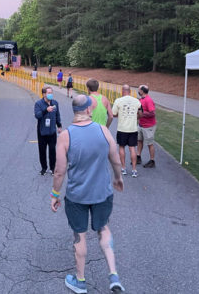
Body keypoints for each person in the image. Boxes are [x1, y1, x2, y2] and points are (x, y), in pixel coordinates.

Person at [51, 95, 125, 293]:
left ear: (74, 111)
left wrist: (55, 193)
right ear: (89, 110)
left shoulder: (65, 136)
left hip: (77, 196)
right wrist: (118, 177)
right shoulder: (103, 130)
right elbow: (115, 158)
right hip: (102, 193)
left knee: (80, 236)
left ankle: (80, 281)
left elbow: (59, 170)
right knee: (103, 228)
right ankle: (113, 275)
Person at [112, 85, 141, 177]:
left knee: (121, 147)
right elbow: (140, 113)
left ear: (122, 90)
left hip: (122, 128)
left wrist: (120, 115)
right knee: (132, 148)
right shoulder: (136, 101)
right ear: (130, 91)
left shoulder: (118, 101)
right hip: (133, 128)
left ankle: (123, 168)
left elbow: (113, 114)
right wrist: (136, 117)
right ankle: (134, 169)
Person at [34, 86, 62, 175]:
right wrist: (46, 110)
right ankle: (44, 168)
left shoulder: (55, 103)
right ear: (44, 94)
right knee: (42, 150)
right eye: (49, 93)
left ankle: (52, 168)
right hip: (42, 131)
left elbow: (57, 115)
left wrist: (59, 125)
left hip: (52, 131)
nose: (50, 94)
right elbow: (37, 115)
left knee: (52, 150)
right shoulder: (38, 103)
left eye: (51, 92)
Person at [137, 85, 157, 168]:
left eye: (139, 89)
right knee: (139, 140)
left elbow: (153, 113)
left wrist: (142, 114)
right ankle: (138, 157)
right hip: (141, 124)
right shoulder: (141, 99)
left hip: (148, 126)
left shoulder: (148, 100)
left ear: (142, 91)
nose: (138, 91)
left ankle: (152, 161)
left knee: (149, 143)